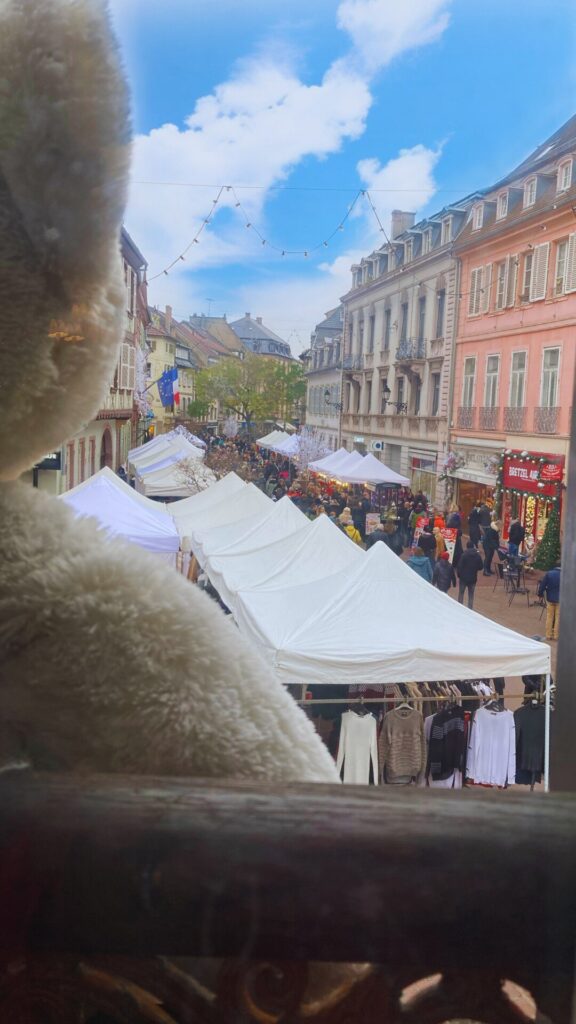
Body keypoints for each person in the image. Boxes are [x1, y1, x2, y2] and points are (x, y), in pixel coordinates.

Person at [456, 540, 484, 609]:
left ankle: (459, 608)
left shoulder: (463, 555)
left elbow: (459, 566)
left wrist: (459, 575)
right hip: (473, 578)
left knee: (461, 593)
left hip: (463, 578)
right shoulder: (477, 555)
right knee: (471, 594)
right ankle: (470, 609)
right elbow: (481, 567)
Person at [538, 563, 561, 641]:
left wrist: (540, 594)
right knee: (558, 617)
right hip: (560, 599)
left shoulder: (549, 573)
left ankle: (548, 635)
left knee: (549, 616)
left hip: (550, 598)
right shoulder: (564, 574)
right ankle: (556, 636)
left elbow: (542, 585)